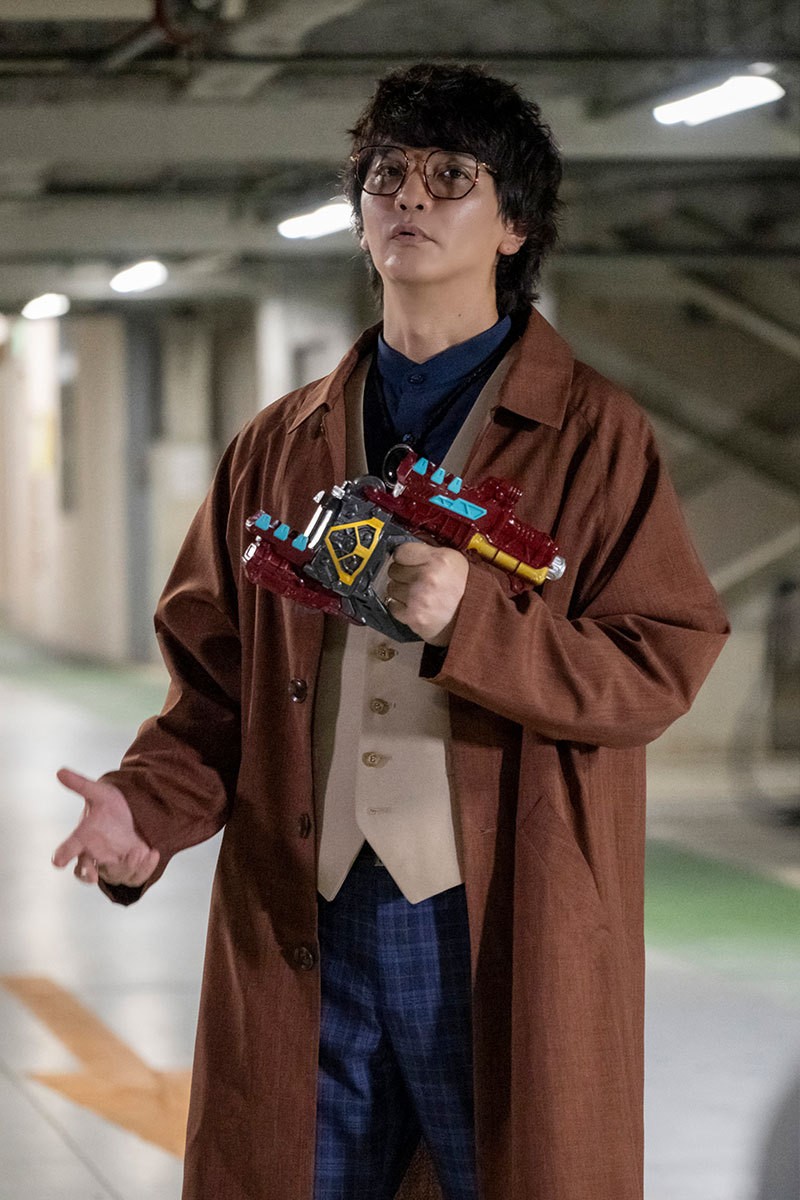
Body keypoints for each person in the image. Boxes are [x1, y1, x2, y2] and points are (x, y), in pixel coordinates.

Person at [52, 62, 730, 1200]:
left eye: (450, 177)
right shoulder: (279, 443)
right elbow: (212, 686)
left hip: (494, 919)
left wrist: (479, 622)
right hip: (303, 917)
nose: (408, 195)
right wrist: (144, 810)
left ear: (513, 226)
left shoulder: (594, 437)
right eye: (385, 174)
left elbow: (656, 665)